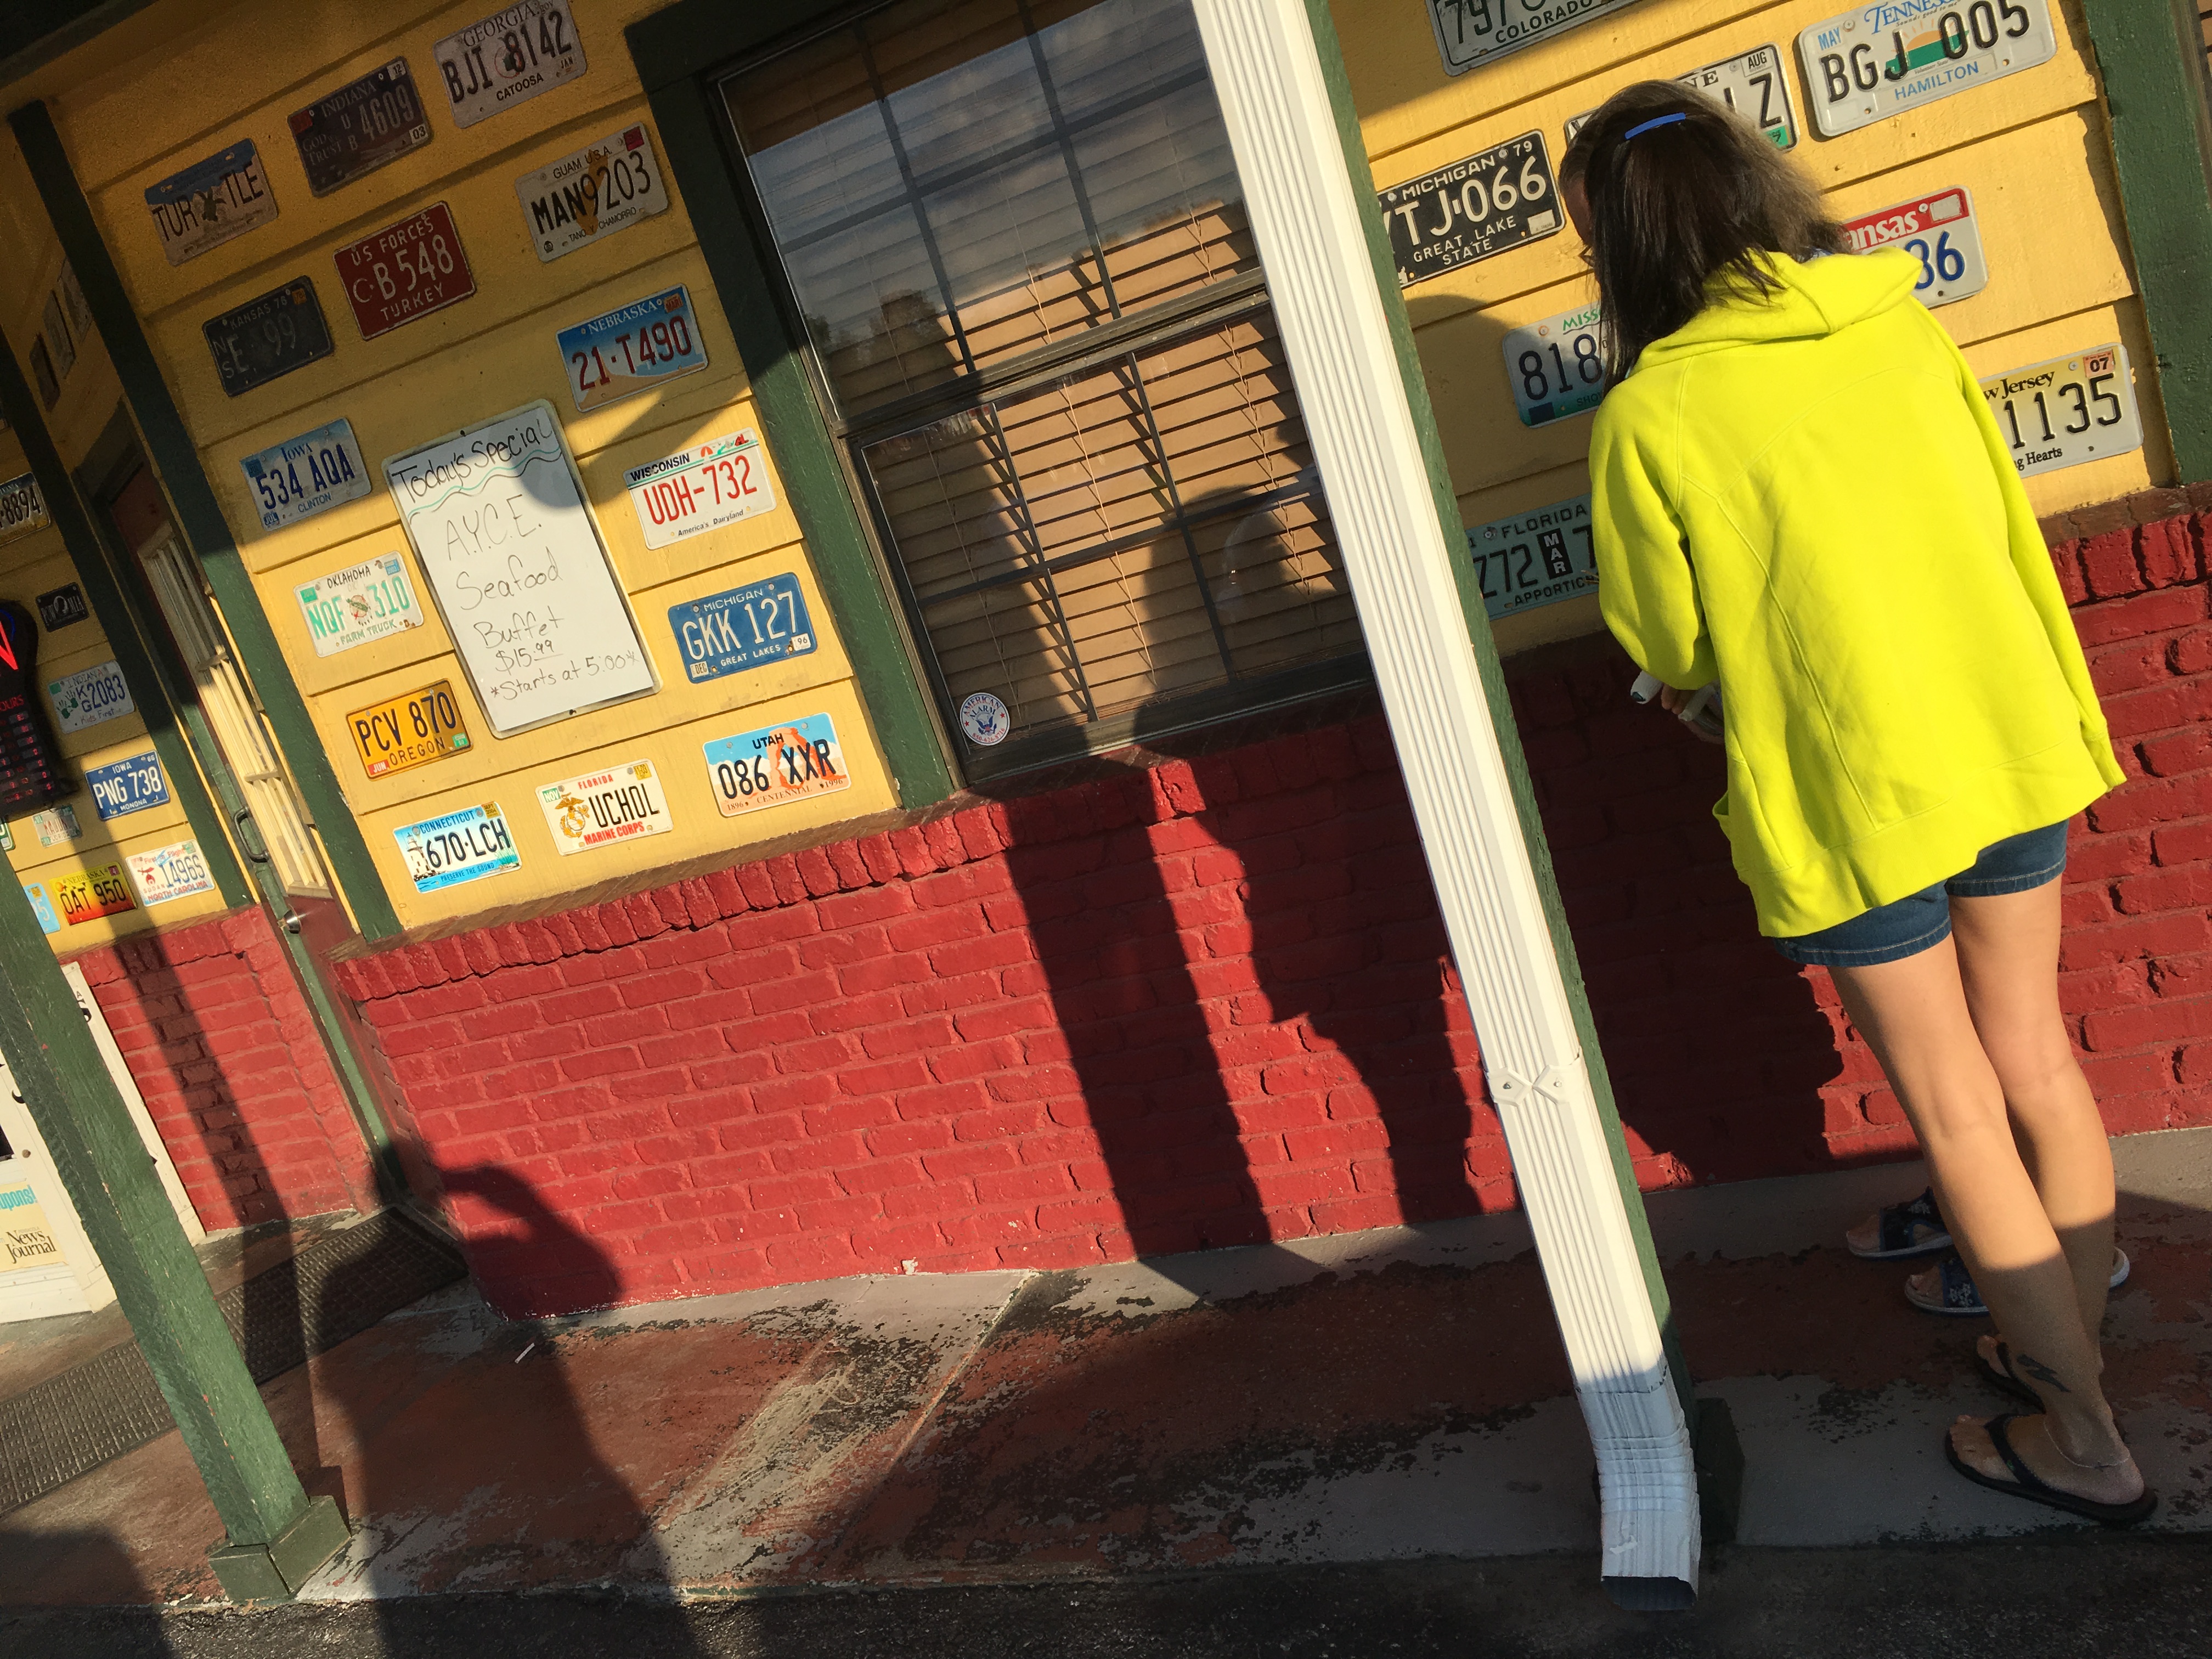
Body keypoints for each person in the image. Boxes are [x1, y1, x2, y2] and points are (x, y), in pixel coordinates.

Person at [1562, 81, 2152, 1524]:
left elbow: (1668, 641)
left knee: (1955, 1111)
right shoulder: (1902, 321)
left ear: (1628, 244)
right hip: (2006, 735)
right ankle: (2065, 1355)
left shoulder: (1652, 411)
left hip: (1855, 791)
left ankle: (2088, 1444)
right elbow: (1996, 513)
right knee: (2039, 1067)